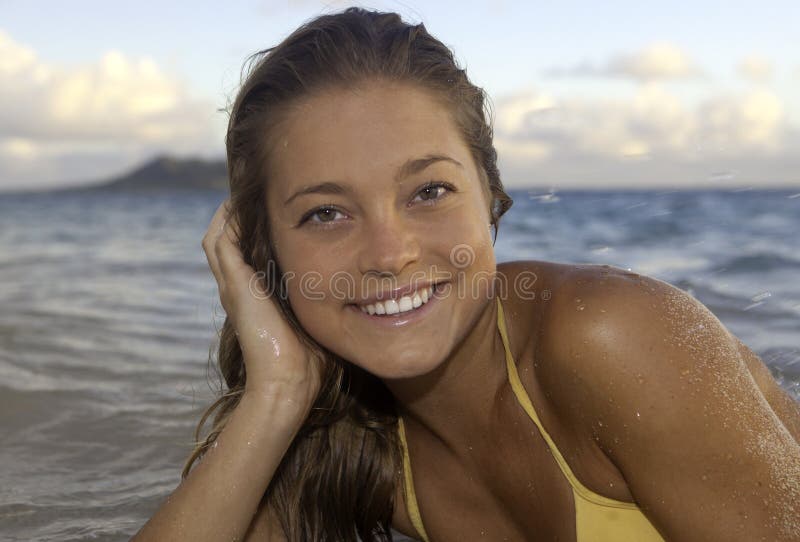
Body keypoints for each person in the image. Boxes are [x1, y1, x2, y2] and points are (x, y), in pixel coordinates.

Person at [133, 7, 800, 542]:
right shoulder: (351, 441)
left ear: (491, 197)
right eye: (327, 212)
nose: (390, 253)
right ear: (265, 253)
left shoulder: (611, 337)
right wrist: (276, 392)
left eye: (428, 192)